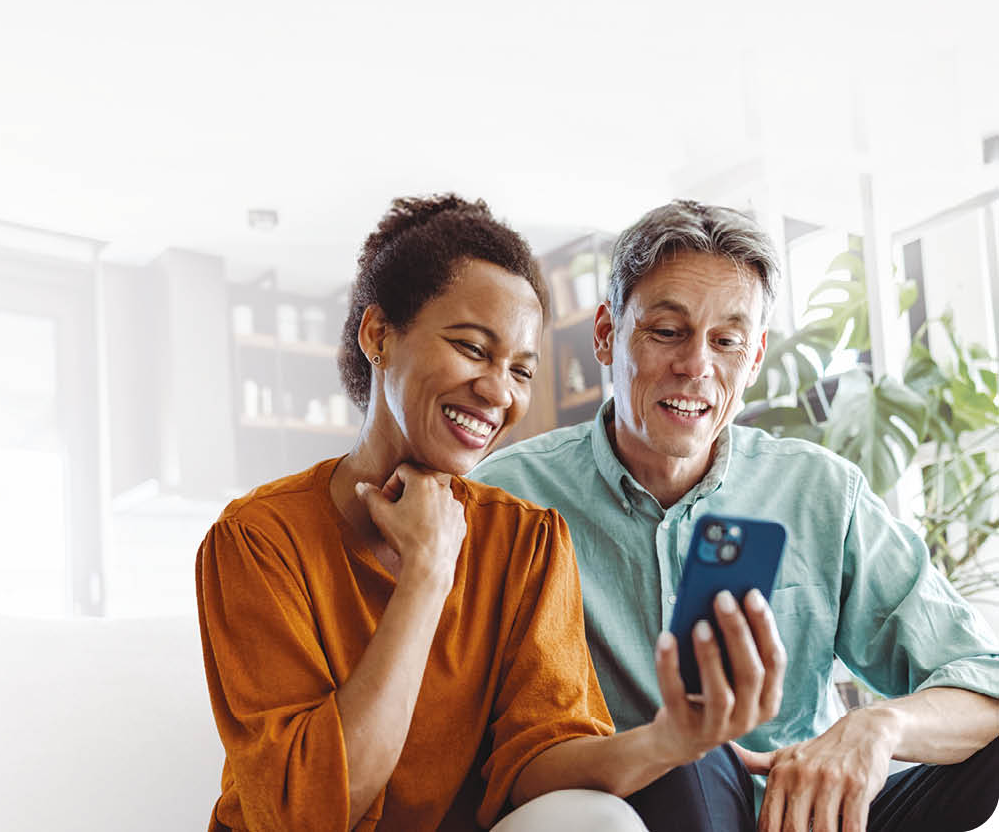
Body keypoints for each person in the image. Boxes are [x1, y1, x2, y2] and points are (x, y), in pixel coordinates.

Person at [196, 194, 786, 832]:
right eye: (473, 349)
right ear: (378, 335)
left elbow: (539, 761)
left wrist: (672, 741)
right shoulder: (257, 540)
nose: (499, 391)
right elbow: (306, 813)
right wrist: (427, 575)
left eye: (521, 370)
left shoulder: (526, 539)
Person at [470, 199, 999, 832]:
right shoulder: (508, 496)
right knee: (692, 764)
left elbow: (983, 679)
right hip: (642, 808)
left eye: (727, 341)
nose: (696, 366)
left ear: (754, 358)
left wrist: (877, 726)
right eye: (667, 332)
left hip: (800, 811)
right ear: (607, 333)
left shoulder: (821, 491)